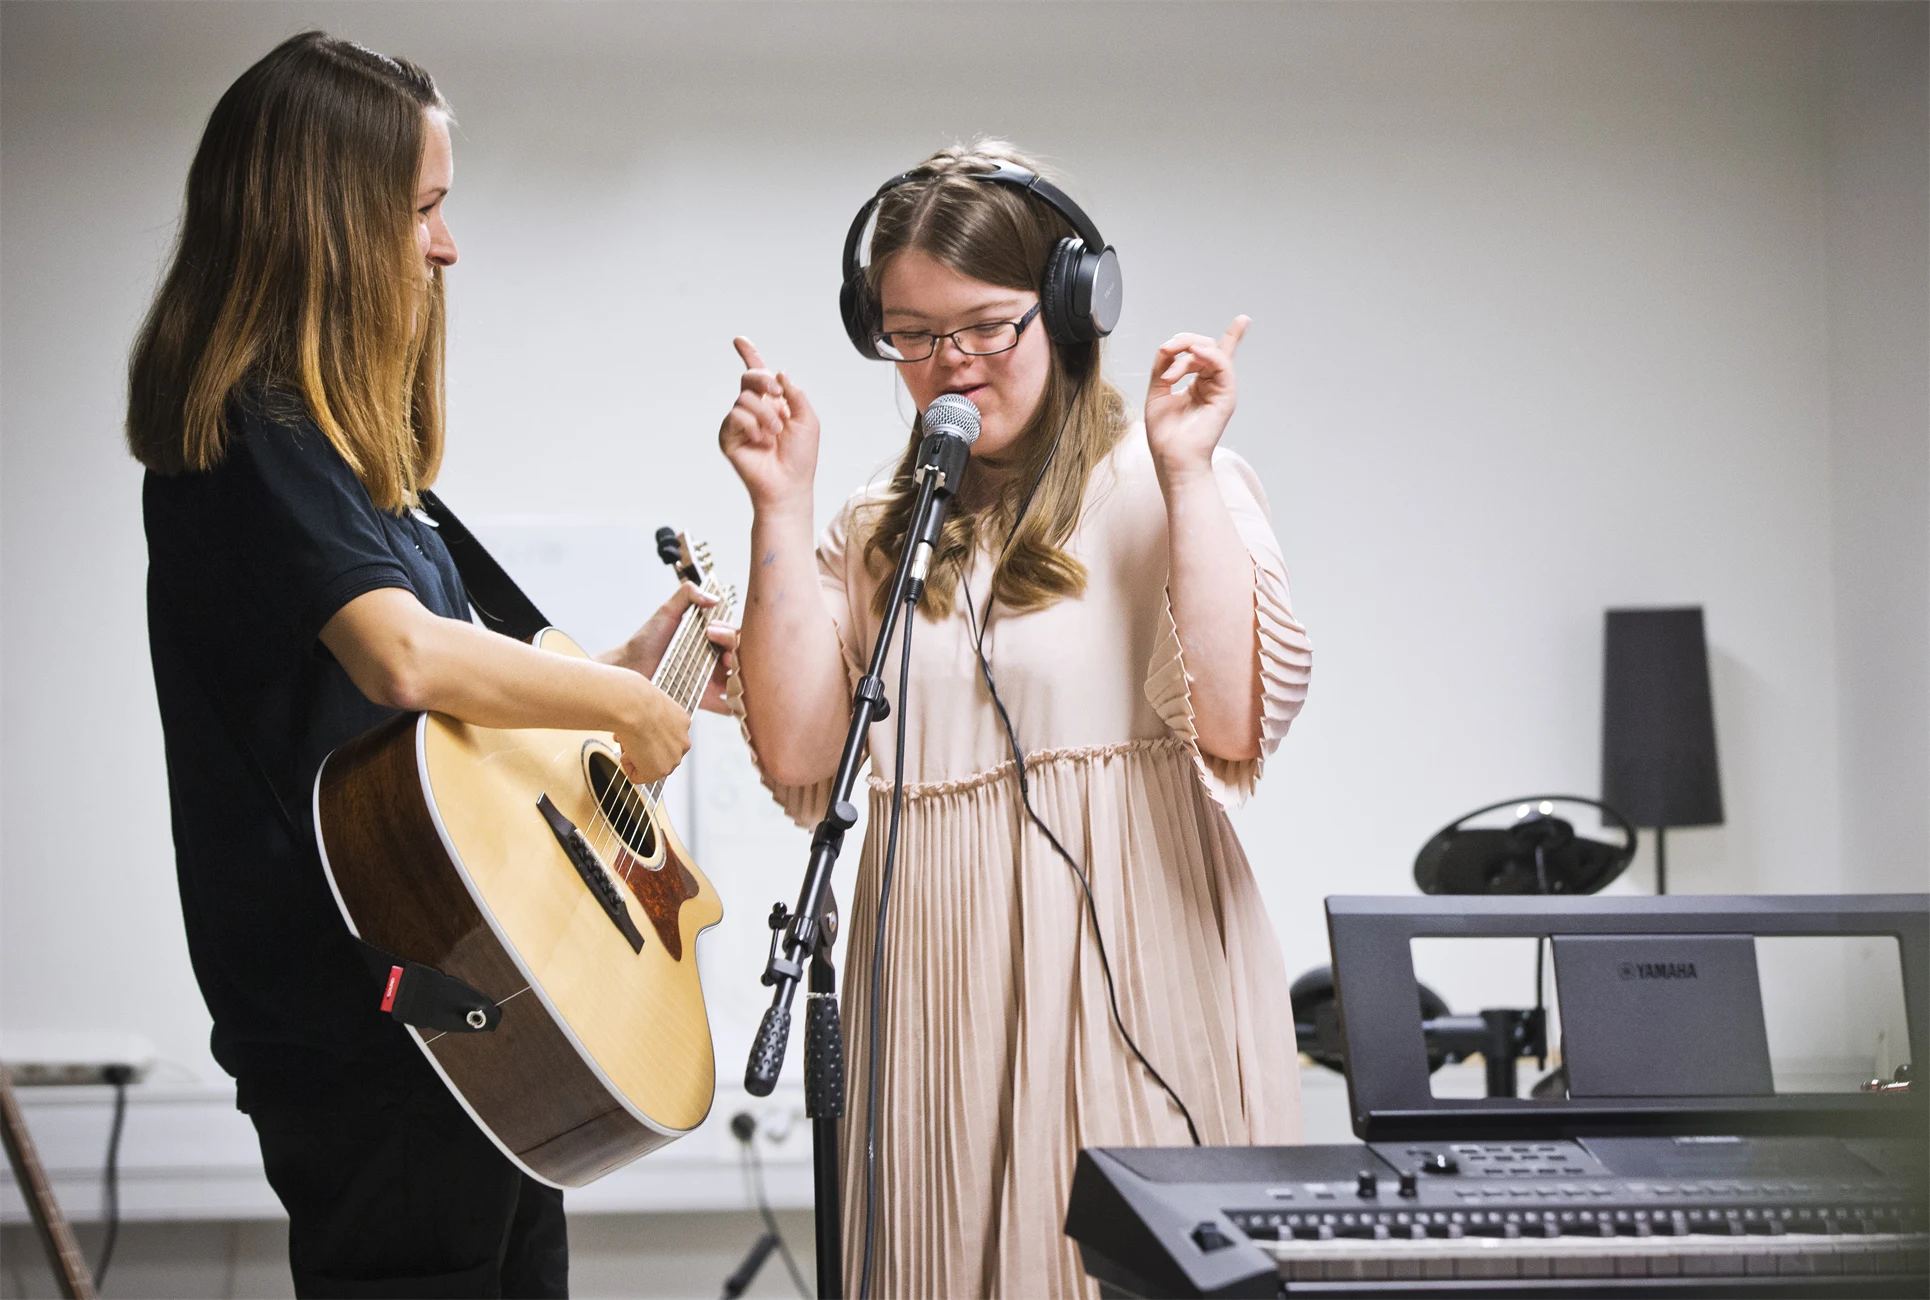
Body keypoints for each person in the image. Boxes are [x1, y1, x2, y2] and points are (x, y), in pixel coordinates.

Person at [129, 32, 726, 1298]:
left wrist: (624, 666)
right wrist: (619, 700)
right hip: (373, 1008)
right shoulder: (250, 423)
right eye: (422, 210)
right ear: (331, 223)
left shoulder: (356, 467)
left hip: (461, 1003)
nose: (446, 247)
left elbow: (446, 729)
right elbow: (401, 658)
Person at [718, 141, 1314, 1298]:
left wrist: (1189, 470)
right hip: (934, 978)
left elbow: (1235, 725)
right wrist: (779, 505)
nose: (949, 365)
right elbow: (800, 756)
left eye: (986, 326)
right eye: (911, 334)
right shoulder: (877, 528)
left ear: (1070, 307)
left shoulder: (1162, 478)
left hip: (1132, 969)